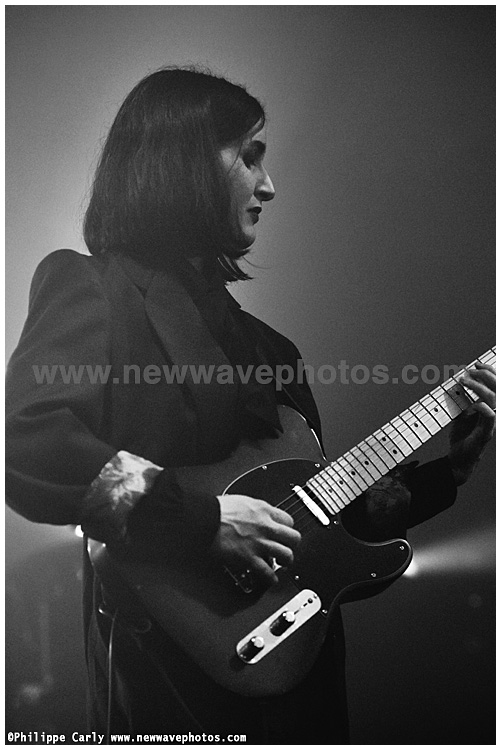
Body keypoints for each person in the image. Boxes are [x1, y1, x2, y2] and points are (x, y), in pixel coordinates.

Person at [6, 67, 495, 744]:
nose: (268, 187)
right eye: (249, 156)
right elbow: (31, 445)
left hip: (300, 684)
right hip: (170, 683)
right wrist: (201, 522)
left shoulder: (272, 348)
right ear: (180, 161)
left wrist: (446, 473)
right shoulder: (94, 288)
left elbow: (316, 522)